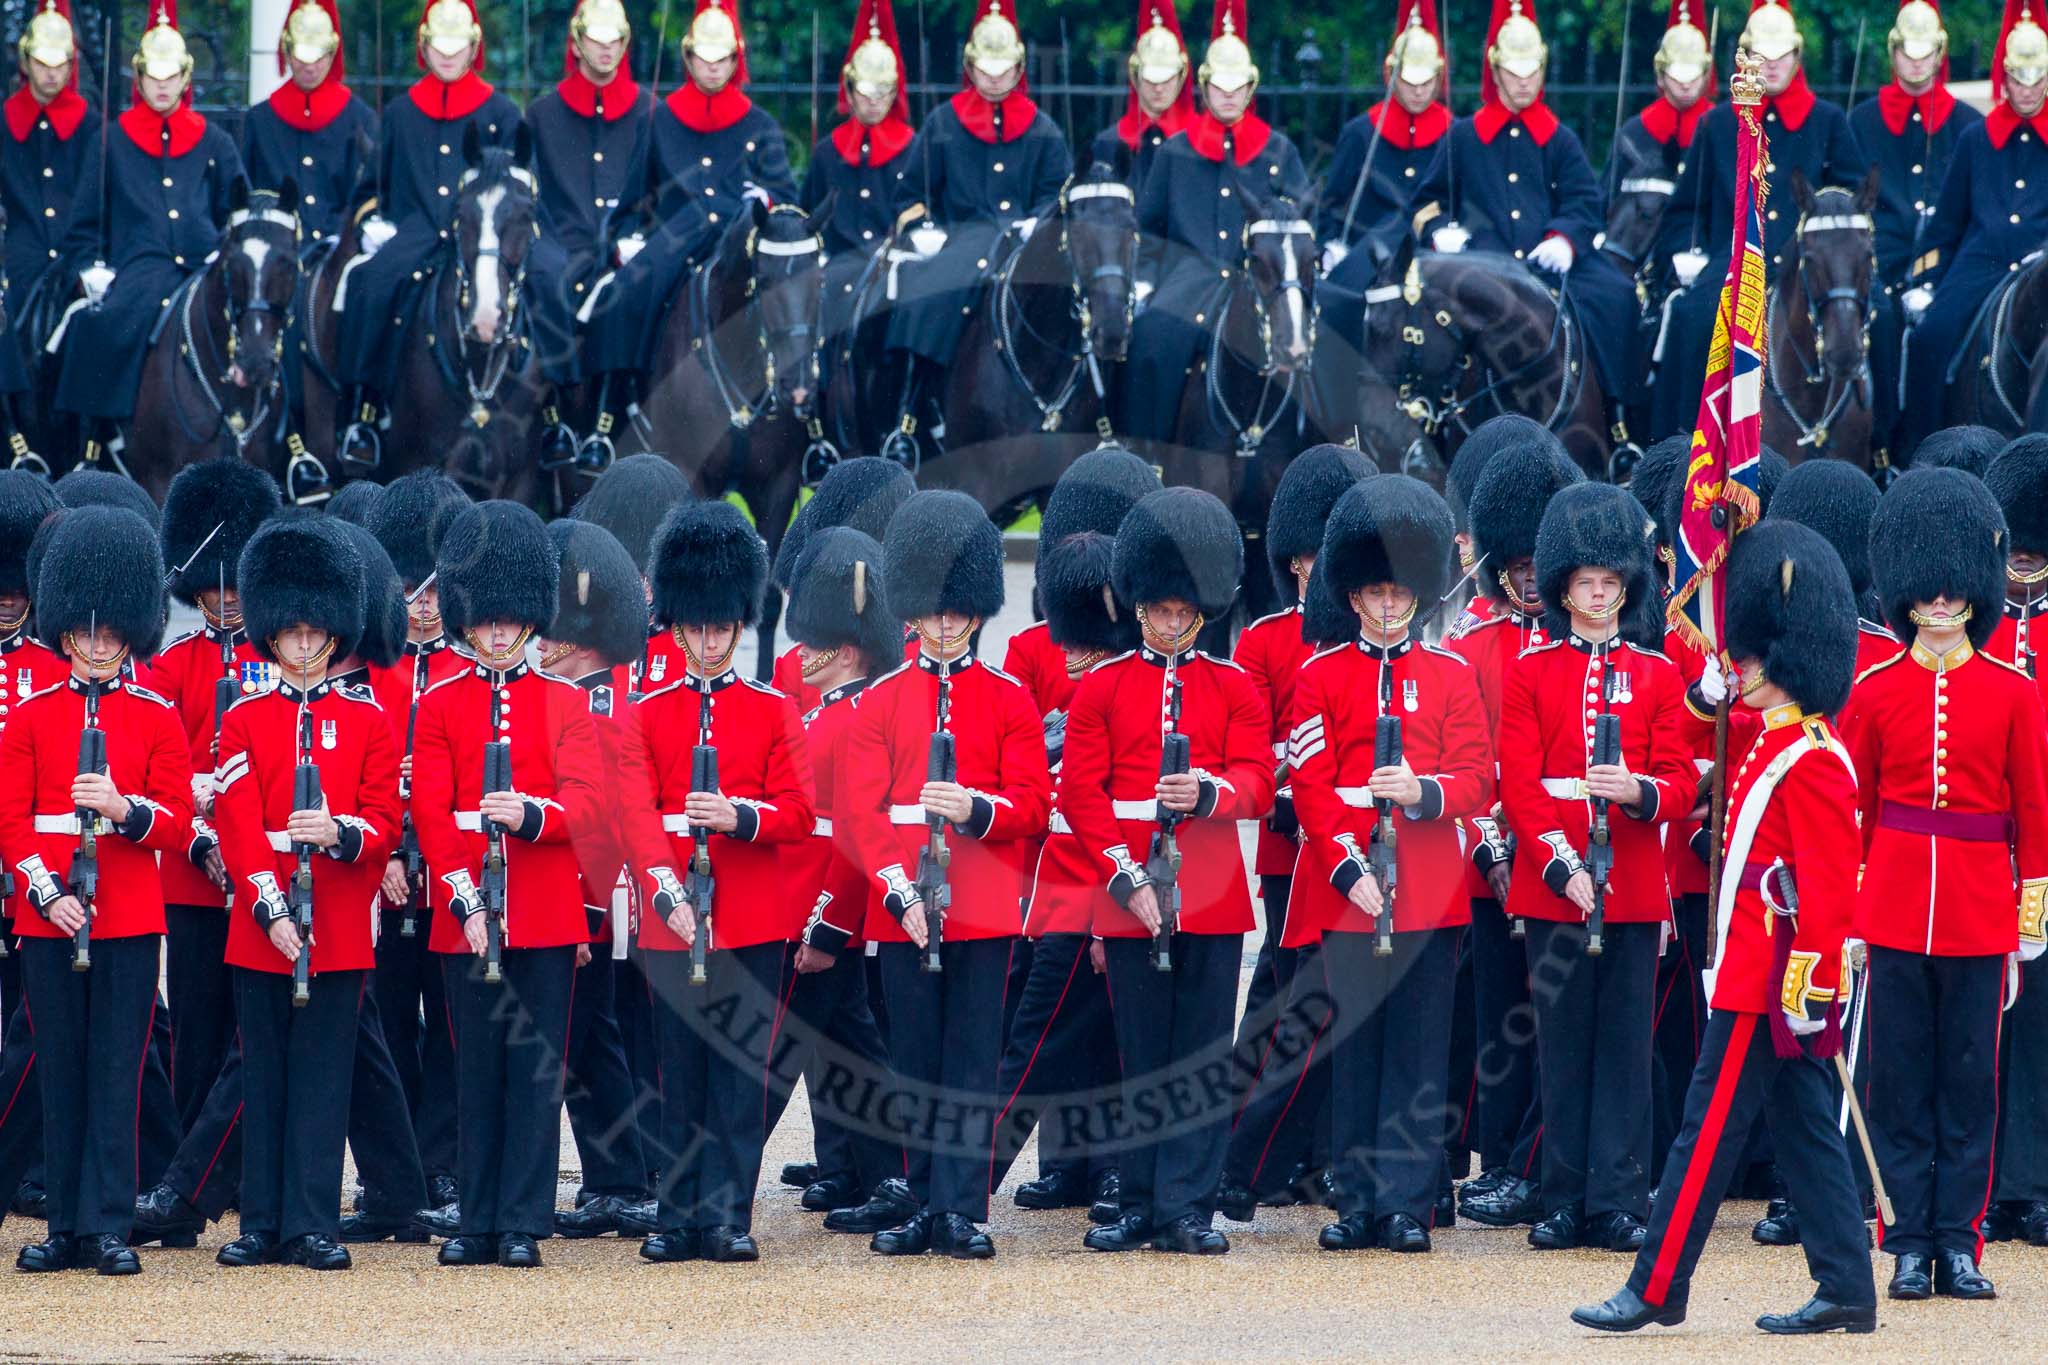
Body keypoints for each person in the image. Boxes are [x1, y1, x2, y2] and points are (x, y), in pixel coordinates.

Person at [1572, 520, 1878, 1336]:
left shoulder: (1813, 755)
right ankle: (1848, 1284)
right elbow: (1685, 736)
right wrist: (1710, 691)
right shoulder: (1767, 734)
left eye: (1745, 654)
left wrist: (1809, 984)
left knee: (1701, 1135)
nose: (1735, 664)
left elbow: (1823, 887)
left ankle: (1656, 1283)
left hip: (1769, 981)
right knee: (1809, 1132)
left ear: (1782, 657)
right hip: (1755, 973)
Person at [1842, 467, 2048, 1301]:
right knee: (1899, 1080)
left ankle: (1960, 1240)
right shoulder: (1875, 690)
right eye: (1924, 590)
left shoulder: (2012, 693)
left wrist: (2030, 908)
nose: (1938, 601)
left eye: (1952, 587)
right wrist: (1852, 914)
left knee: (1969, 1082)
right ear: (1906, 597)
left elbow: (2033, 810)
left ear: (1971, 590)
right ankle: (1906, 1238)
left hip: (1977, 911)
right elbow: (1852, 814)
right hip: (1892, 902)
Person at [839, 489, 1051, 1259]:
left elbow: (1032, 802)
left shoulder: (1009, 699)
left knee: (970, 1059)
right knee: (915, 1060)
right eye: (932, 611)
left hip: (985, 904)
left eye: (956, 610)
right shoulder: (880, 702)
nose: (945, 623)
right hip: (905, 907)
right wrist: (899, 892)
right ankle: (922, 1201)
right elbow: (862, 814)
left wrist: (974, 807)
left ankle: (962, 1208)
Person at [1063, 488, 1272, 1255]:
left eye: (1184, 611)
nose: (1171, 624)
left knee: (1198, 1056)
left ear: (1203, 609)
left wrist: (1210, 792)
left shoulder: (1234, 686)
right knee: (1140, 1051)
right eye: (1158, 611)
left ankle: (1189, 1204)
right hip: (1128, 894)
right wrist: (1126, 878)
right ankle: (1140, 1196)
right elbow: (1081, 792)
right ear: (1138, 606)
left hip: (1211, 893)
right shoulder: (1104, 686)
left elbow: (1259, 781)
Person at [1293, 475, 1491, 1253]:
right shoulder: (1319, 676)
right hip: (1350, 886)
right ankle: (1356, 1199)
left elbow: (1477, 776)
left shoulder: (1451, 674)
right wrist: (1350, 868)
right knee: (1357, 1049)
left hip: (1429, 887)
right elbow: (1311, 787)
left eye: (1398, 592)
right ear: (1353, 595)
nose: (1386, 605)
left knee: (1416, 1049)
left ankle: (1407, 1203)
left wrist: (1421, 790)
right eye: (1374, 592)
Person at [618, 500, 814, 1263]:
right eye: (696, 625)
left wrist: (739, 816)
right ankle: (678, 1213)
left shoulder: (771, 709)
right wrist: (666, 892)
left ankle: (729, 1213)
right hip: (672, 916)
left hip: (750, 918)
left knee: (737, 1074)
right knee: (677, 1068)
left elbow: (797, 813)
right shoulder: (648, 711)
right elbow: (635, 813)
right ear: (677, 622)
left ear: (738, 622)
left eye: (720, 625)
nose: (707, 639)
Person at [410, 500, 603, 1269]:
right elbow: (429, 811)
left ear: (529, 619)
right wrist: (464, 899)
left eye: (508, 619)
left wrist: (530, 815)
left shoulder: (564, 702)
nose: (495, 631)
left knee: (534, 1071)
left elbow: (587, 806)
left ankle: (523, 1216)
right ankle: (478, 1216)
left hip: (548, 914)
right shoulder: (440, 702)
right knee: (474, 1066)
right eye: (483, 619)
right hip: (468, 917)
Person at [1498, 482, 1690, 1253]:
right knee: (1563, 1043)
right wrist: (1562, 866)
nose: (1600, 593)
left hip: (1636, 882)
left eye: (1611, 583)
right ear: (1563, 589)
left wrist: (1639, 790)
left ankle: (1617, 1197)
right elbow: (1519, 784)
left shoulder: (1657, 673)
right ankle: (1563, 1195)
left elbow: (1679, 781)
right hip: (1557, 887)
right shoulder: (1531, 671)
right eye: (1586, 583)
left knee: (1623, 1048)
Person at [1, 504, 192, 1275]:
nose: (98, 647)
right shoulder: (32, 717)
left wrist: (123, 809)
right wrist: (46, 893)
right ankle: (66, 1227)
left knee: (116, 1072)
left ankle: (108, 1222)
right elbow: (13, 822)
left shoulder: (155, 717)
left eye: (112, 634)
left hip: (128, 920)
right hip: (51, 919)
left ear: (130, 632)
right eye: (84, 635)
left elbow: (177, 825)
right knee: (60, 1068)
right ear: (66, 635)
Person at [209, 518, 399, 1272]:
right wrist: (269, 904)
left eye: (313, 630)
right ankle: (262, 1220)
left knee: (324, 1075)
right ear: (272, 635)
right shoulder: (243, 719)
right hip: (263, 921)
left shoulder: (368, 721)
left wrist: (340, 830)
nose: (301, 642)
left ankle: (312, 1220)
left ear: (332, 633)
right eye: (288, 632)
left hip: (341, 915)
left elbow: (385, 819)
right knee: (264, 1071)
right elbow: (236, 818)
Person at [1219, 442, 1372, 1206]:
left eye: (1326, 561)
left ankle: (1297, 1156)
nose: (1315, 575)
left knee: (1312, 1009)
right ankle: (1245, 1159)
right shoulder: (1265, 640)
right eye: (1304, 562)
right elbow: (1247, 745)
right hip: (1291, 852)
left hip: (1360, 854)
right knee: (1294, 1005)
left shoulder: (1376, 644)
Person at [1449, 424, 1580, 1228]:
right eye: (1521, 567)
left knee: (1551, 1019)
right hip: (1491, 861)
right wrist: (1492, 847)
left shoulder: (1580, 647)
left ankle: (1536, 1160)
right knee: (1501, 1014)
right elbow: (1464, 757)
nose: (1531, 581)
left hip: (1559, 860)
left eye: (1542, 566)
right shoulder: (1473, 643)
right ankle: (1502, 1157)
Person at [1404, 0, 1639, 440]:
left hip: (1545, 265)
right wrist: (1439, 234)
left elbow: (1585, 204)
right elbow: (1424, 204)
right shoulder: (1464, 136)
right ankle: (1427, 429)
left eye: (1532, 72)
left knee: (1618, 296)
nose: (1524, 82)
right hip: (1482, 267)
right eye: (1515, 72)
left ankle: (1618, 420)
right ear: (1495, 72)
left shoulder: (1560, 139)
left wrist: (1565, 239)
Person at [988, 529, 1133, 1217]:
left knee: (1030, 1050)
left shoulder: (1119, 699)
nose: (1067, 653)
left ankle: (960, 1183)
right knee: (1068, 1041)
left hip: (1091, 905)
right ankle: (1081, 1168)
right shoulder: (1086, 693)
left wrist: (1108, 917)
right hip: (1055, 901)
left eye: (1082, 641)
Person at [578, 0, 796, 456]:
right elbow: (636, 192)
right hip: (674, 240)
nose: (712, 69)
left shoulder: (760, 124)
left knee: (797, 308)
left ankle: (805, 421)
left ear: (735, 62)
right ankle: (607, 417)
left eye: (722, 61)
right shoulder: (661, 120)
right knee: (620, 299)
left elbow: (786, 195)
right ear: (689, 58)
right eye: (704, 59)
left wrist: (766, 199)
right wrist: (624, 237)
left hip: (740, 245)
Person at [772, 526, 909, 1233]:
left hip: (823, 915)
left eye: (814, 637)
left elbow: (854, 839)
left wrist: (827, 924)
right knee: (854, 1049)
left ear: (846, 647)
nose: (800, 651)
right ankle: (886, 1173)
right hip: (809, 909)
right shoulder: (828, 712)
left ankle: (711, 1181)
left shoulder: (854, 719)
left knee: (768, 1058)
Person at [1651, 0, 1868, 440]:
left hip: (1810, 267)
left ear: (1797, 56)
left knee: (1868, 322)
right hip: (1731, 265)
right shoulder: (1716, 124)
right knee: (1693, 320)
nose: (1772, 67)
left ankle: (1880, 446)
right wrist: (1683, 255)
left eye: (1782, 56)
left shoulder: (1827, 121)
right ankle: (1680, 447)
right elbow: (1683, 212)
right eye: (1762, 57)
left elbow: (1855, 203)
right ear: (1745, 57)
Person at [525, 517, 656, 1239]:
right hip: (574, 898)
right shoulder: (569, 691)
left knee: (581, 1038)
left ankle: (620, 1179)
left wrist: (581, 913)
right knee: (586, 1038)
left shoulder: (596, 701)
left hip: (587, 900)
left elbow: (595, 821)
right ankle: (618, 1178)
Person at [49, 2, 246, 465]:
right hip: (140, 271)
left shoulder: (216, 141)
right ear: (138, 78)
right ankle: (98, 439)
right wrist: (89, 269)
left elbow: (233, 216)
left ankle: (279, 442)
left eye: (170, 75)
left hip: (204, 268)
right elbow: (82, 228)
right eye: (153, 76)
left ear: (185, 77)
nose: (162, 85)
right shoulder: (112, 140)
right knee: (99, 326)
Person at [148, 457, 281, 1130]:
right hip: (191, 870)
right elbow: (160, 768)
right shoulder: (172, 664)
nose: (227, 594)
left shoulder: (278, 662)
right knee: (197, 1023)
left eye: (236, 584)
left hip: (263, 865)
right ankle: (186, 1155)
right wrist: (199, 828)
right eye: (212, 585)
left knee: (251, 1025)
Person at [881, 0, 1070, 461]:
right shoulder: (943, 124)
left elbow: (1057, 195)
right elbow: (910, 193)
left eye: (1004, 69)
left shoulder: (1043, 130)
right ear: (970, 66)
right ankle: (908, 417)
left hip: (1026, 246)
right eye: (986, 69)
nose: (995, 78)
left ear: (1019, 68)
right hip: (962, 242)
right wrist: (925, 228)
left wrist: (1038, 222)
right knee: (925, 303)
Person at [333, 0, 519, 469]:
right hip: (415, 232)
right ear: (424, 47)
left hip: (480, 236)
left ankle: (552, 414)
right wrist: (371, 223)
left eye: (458, 46)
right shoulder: (400, 112)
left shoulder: (499, 110)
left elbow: (516, 187)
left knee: (538, 286)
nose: (448, 55)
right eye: (439, 45)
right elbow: (372, 187)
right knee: (368, 283)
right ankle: (364, 410)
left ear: (474, 47)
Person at [1123, 0, 1309, 446]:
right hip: (1190, 281)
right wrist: (1148, 282)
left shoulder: (1279, 151)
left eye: (1237, 87)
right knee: (1152, 339)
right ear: (1203, 87)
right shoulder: (1175, 152)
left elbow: (1302, 221)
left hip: (1264, 284)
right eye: (1220, 87)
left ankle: (1323, 447)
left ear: (1250, 89)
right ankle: (1149, 447)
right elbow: (1148, 228)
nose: (1228, 95)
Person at [360, 470, 470, 1223]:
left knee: (455, 1032)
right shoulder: (374, 672)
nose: (423, 606)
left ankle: (444, 1165)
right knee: (390, 1024)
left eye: (434, 591)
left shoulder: (470, 672)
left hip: (455, 878)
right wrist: (389, 854)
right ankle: (391, 1173)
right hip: (390, 875)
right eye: (411, 590)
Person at [1898, 2, 2048, 459]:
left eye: (2036, 77)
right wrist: (1924, 281)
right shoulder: (1976, 139)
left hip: (2042, 266)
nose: (2026, 89)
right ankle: (1916, 459)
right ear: (2004, 75)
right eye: (2018, 78)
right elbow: (1946, 223)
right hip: (1979, 264)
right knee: (1929, 336)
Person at [523, 0, 652, 469]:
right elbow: (532, 197)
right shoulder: (541, 115)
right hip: (561, 245)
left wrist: (637, 235)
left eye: (615, 40)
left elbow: (655, 188)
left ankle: (619, 414)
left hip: (625, 247)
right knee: (545, 279)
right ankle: (555, 414)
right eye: (597, 40)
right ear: (576, 43)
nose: (606, 50)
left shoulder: (647, 112)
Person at [1977, 436, 2048, 1248]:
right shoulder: (1984, 631)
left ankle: (2031, 1180)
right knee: (1992, 1017)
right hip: (1986, 854)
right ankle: (1995, 1182)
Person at [0, 0, 97, 443]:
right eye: (43, 63)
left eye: (61, 64)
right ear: (26, 62)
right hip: (21, 253)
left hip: (76, 253)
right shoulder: (4, 120)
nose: (52, 73)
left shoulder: (90, 123)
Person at [1851, 3, 1978, 301]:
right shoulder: (1861, 121)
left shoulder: (1968, 125)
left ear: (1939, 53)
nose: (1917, 63)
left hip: (1947, 267)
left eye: (1925, 53)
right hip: (1877, 266)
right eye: (1908, 53)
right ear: (1893, 52)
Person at [1319, 2, 1450, 289]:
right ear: (1391, 75)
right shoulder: (1360, 132)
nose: (1418, 91)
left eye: (1426, 82)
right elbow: (1333, 203)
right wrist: (1329, 247)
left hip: (1433, 260)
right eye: (1409, 81)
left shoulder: (1454, 133)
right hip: (1369, 262)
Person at [241, 0, 375, 242]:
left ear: (332, 52)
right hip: (277, 246)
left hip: (339, 245)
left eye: (319, 56)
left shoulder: (359, 119)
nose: (310, 67)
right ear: (288, 53)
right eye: (302, 56)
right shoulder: (260, 120)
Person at [805, 0, 915, 260]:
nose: (874, 101)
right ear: (850, 91)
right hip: (837, 265)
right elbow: (810, 213)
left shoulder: (913, 148)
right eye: (866, 92)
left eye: (883, 91)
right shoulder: (827, 152)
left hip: (896, 267)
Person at [1605, 2, 1714, 204]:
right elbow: (1610, 199)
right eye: (1677, 77)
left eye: (1693, 76)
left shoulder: (1719, 128)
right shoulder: (1633, 133)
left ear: (1706, 74)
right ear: (1660, 76)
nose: (1685, 85)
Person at [1088, 2, 1194, 198]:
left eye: (1167, 79)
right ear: (1135, 76)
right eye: (1150, 79)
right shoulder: (1108, 144)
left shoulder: (1201, 141)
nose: (1159, 88)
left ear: (1181, 76)